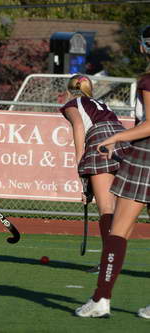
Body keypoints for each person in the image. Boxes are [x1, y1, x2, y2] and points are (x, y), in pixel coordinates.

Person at [75, 25, 150, 318]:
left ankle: (100, 299)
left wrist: (114, 138)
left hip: (145, 157)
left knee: (119, 231)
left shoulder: (147, 81)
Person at [59, 74, 129, 273]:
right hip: (121, 139)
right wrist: (88, 188)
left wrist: (81, 161)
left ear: (68, 91)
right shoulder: (101, 103)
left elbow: (79, 126)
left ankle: (109, 261)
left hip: (99, 139)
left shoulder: (72, 104)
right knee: (116, 208)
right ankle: (114, 257)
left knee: (106, 208)